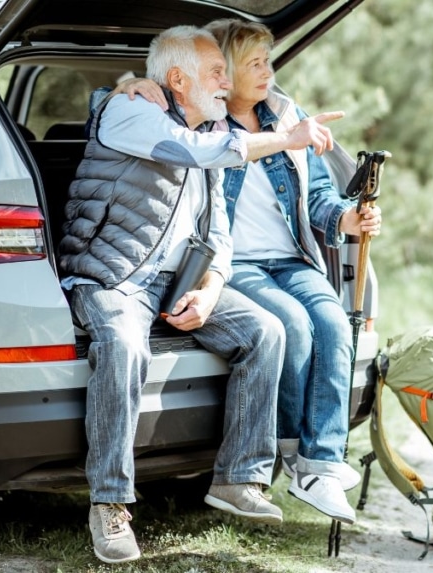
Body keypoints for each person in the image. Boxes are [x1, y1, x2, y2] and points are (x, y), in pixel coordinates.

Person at [60, 25, 343, 564]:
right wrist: (287, 137)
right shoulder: (131, 115)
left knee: (265, 331)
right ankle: (110, 503)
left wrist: (212, 286)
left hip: (178, 280)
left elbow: (218, 233)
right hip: (114, 275)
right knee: (124, 346)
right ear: (175, 79)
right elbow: (197, 151)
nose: (226, 81)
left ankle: (239, 478)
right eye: (216, 72)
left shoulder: (209, 126)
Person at [117, 19, 382, 525]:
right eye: (253, 63)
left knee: (334, 323)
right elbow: (115, 114)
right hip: (234, 263)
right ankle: (290, 448)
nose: (267, 72)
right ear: (226, 72)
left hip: (291, 257)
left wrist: (347, 218)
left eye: (269, 61)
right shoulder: (200, 119)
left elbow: (320, 196)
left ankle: (322, 464)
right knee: (295, 328)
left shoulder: (287, 115)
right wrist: (127, 84)